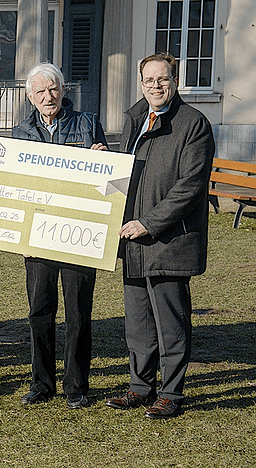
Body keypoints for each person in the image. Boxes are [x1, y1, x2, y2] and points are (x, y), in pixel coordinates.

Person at [105, 52, 214, 419]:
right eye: (149, 80)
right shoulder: (135, 120)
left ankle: (171, 393)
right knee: (138, 321)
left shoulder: (193, 124)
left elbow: (190, 187)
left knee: (170, 322)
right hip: (132, 240)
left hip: (168, 240)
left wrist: (148, 223)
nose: (155, 86)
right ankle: (140, 387)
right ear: (141, 83)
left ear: (175, 81)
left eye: (162, 80)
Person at [11, 62, 107, 409]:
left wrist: (104, 158)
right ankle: (42, 383)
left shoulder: (87, 123)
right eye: (40, 91)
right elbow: (16, 186)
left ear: (63, 90)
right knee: (40, 310)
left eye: (53, 89)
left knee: (79, 312)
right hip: (37, 235)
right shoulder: (20, 132)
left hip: (79, 232)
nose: (48, 96)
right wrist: (19, 235)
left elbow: (107, 180)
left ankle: (77, 386)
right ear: (30, 97)